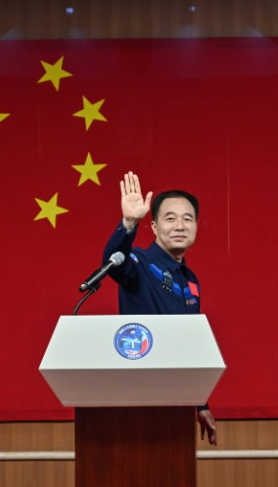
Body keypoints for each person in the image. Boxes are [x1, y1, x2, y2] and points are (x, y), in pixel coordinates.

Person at [102, 171, 218, 444]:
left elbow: (189, 346)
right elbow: (111, 260)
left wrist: (200, 404)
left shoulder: (191, 281)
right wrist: (129, 223)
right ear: (153, 227)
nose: (180, 225)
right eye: (170, 218)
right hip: (137, 396)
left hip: (176, 400)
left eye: (188, 219)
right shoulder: (138, 263)